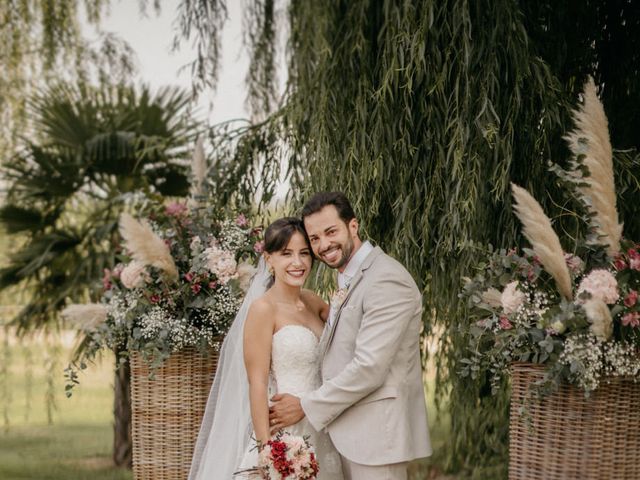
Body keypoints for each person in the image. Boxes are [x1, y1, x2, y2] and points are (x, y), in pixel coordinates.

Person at [269, 192, 432, 480]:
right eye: (314, 238)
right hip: (343, 433)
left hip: (376, 439)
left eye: (331, 232)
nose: (323, 245)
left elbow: (369, 367)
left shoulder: (385, 278)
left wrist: (305, 404)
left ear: (353, 226)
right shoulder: (349, 277)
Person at [188, 217, 343, 480]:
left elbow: (346, 339)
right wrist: (268, 451)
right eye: (286, 254)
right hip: (285, 432)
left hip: (320, 424)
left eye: (304, 253)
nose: (298, 263)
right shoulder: (263, 309)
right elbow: (257, 383)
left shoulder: (314, 302)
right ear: (269, 259)